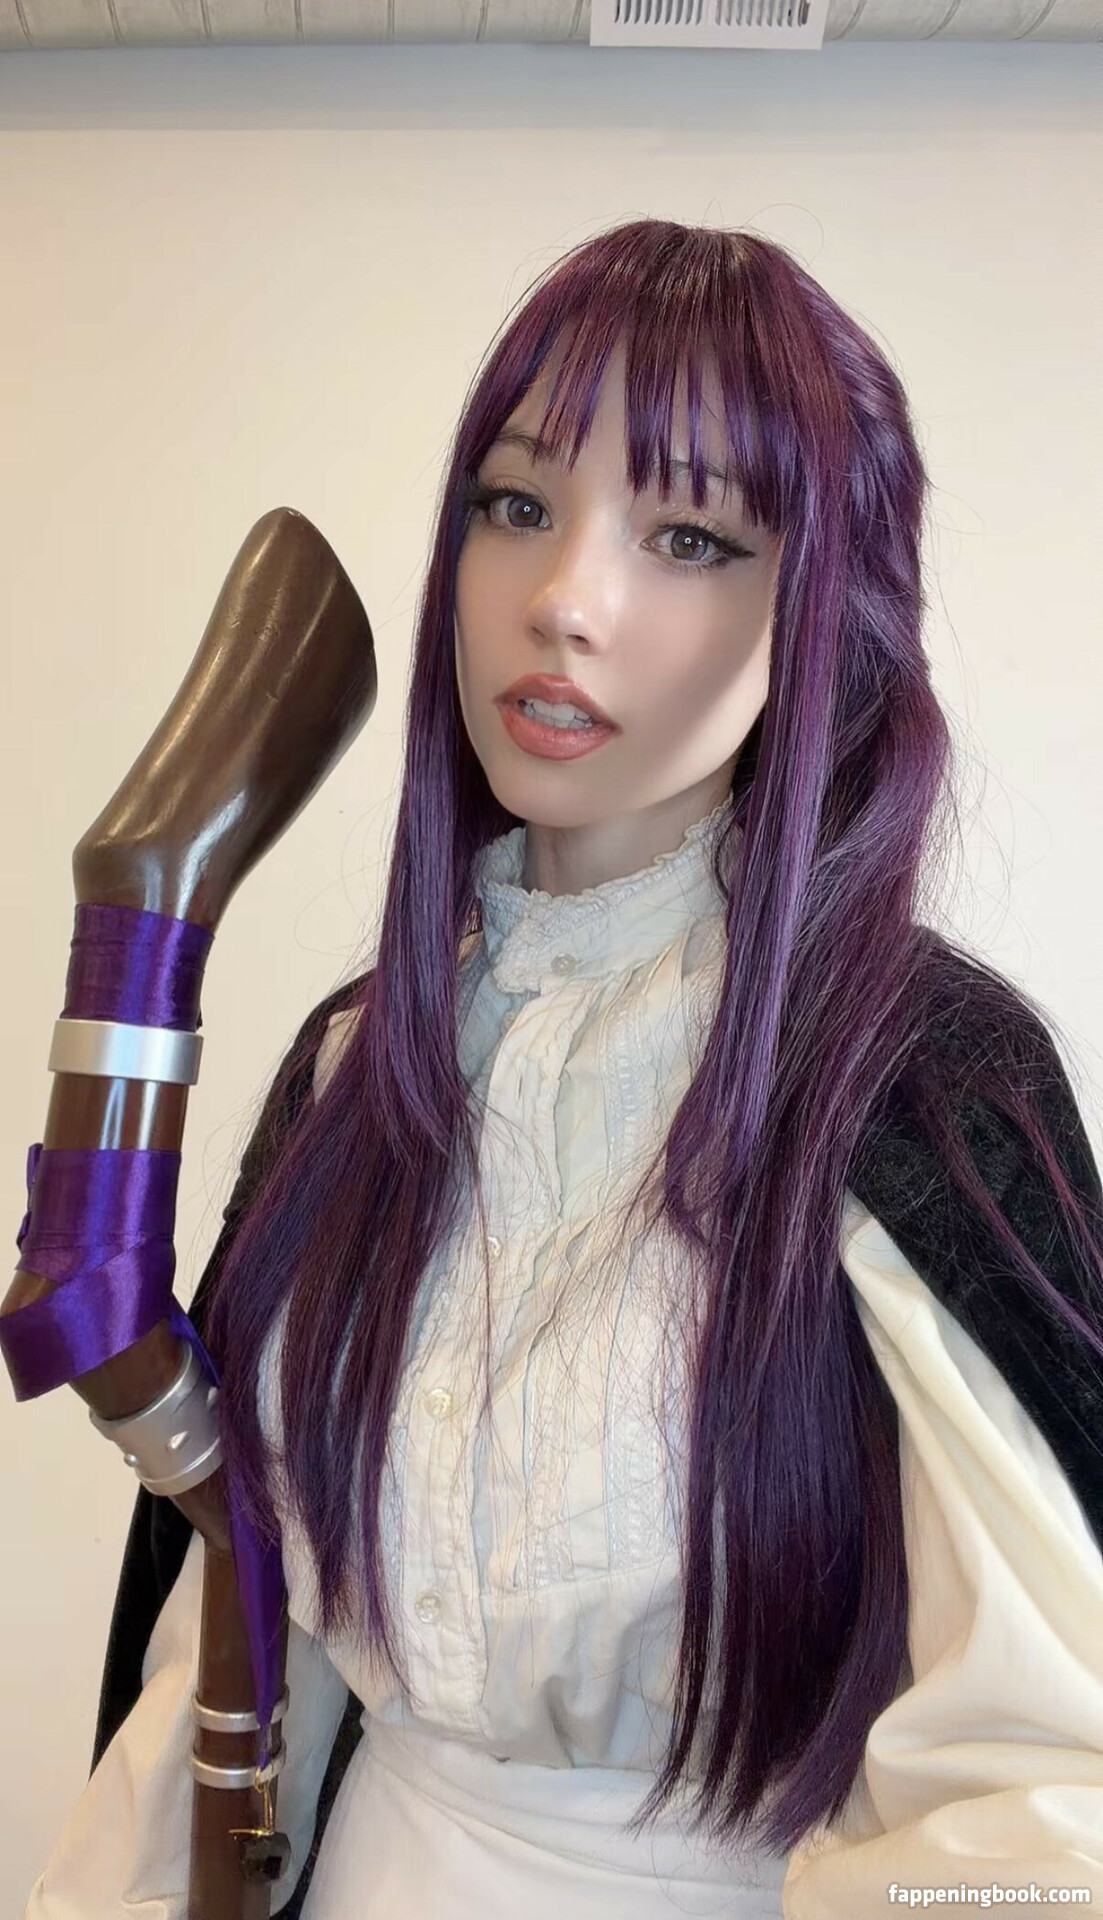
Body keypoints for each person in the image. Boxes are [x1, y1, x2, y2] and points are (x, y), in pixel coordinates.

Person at [23, 219, 1103, 1918]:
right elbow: (240, 1650)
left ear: (823, 609)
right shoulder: (358, 1060)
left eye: (691, 536)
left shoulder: (910, 1079)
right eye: (517, 506)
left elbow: (1043, 1796)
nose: (565, 602)